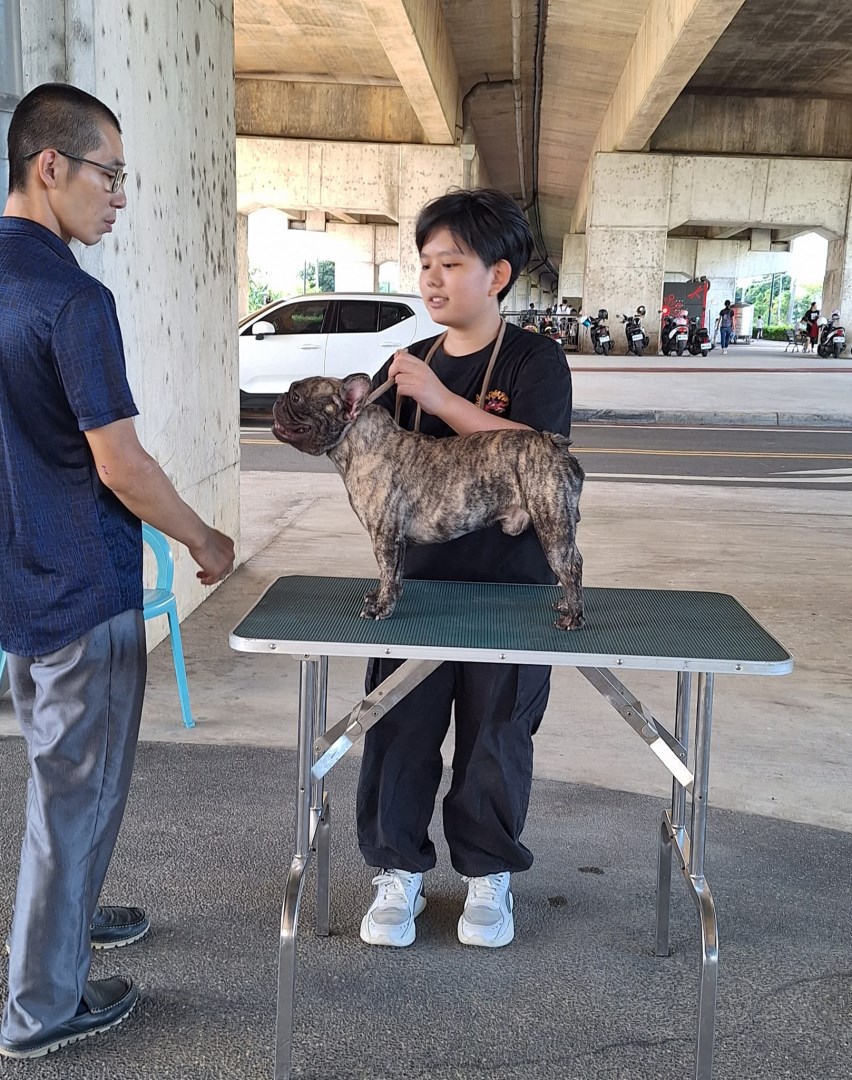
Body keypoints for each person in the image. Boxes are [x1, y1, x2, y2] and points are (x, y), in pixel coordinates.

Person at [0, 84, 235, 1060]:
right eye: (112, 175)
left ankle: (71, 920)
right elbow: (122, 465)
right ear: (50, 165)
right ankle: (40, 1007)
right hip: (82, 589)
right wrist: (204, 539)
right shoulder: (73, 299)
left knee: (62, 777)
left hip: (20, 586)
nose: (122, 197)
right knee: (73, 793)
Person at [358, 188, 573, 950]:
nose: (432, 278)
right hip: (417, 586)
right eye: (425, 263)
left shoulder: (535, 360)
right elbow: (370, 462)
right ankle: (397, 872)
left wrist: (443, 401)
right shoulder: (404, 365)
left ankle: (488, 875)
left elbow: (539, 454)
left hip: (512, 588)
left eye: (451, 263)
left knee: (496, 735)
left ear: (498, 275)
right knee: (399, 729)